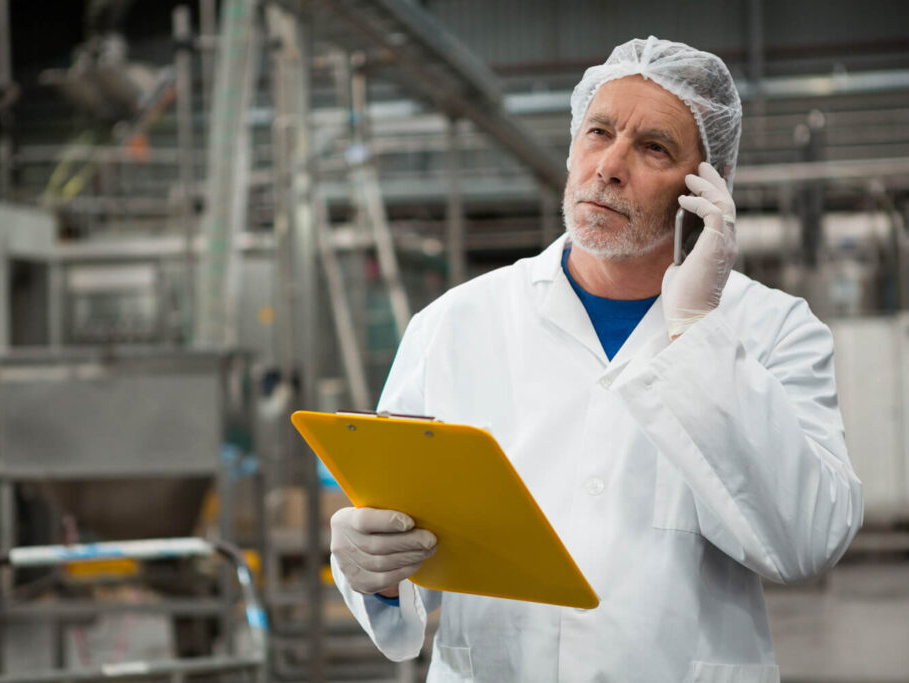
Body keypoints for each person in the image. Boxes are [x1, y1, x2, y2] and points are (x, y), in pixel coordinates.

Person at [328, 36, 863, 682]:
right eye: (598, 132)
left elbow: (806, 538)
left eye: (653, 147)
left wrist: (695, 332)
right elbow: (391, 524)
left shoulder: (774, 331)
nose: (610, 165)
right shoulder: (454, 325)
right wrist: (369, 570)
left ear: (706, 185)